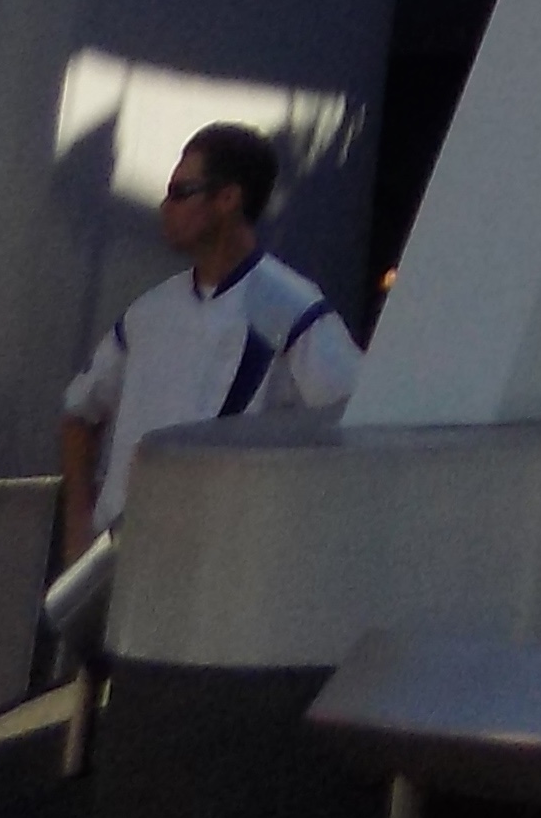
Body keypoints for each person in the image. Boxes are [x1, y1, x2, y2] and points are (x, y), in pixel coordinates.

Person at [55, 125, 361, 555]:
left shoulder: (292, 310)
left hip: (222, 559)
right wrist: (77, 527)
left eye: (181, 192)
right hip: (123, 554)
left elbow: (354, 423)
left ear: (228, 198)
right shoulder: (148, 312)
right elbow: (79, 414)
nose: (165, 207)